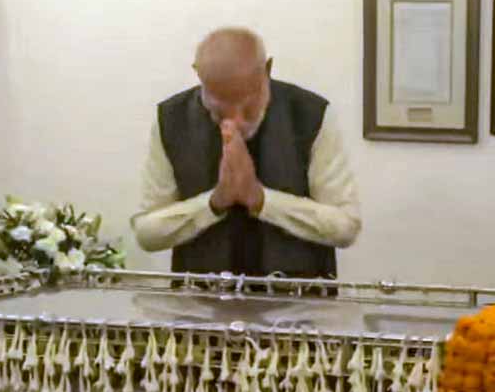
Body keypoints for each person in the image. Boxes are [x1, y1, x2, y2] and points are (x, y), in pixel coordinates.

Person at [132, 27, 361, 278]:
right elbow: (146, 233)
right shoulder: (170, 119)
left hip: (300, 307)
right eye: (219, 111)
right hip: (198, 308)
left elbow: (345, 227)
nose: (236, 121)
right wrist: (214, 203)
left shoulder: (312, 114)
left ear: (268, 69)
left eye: (248, 107)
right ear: (199, 75)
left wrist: (260, 199)